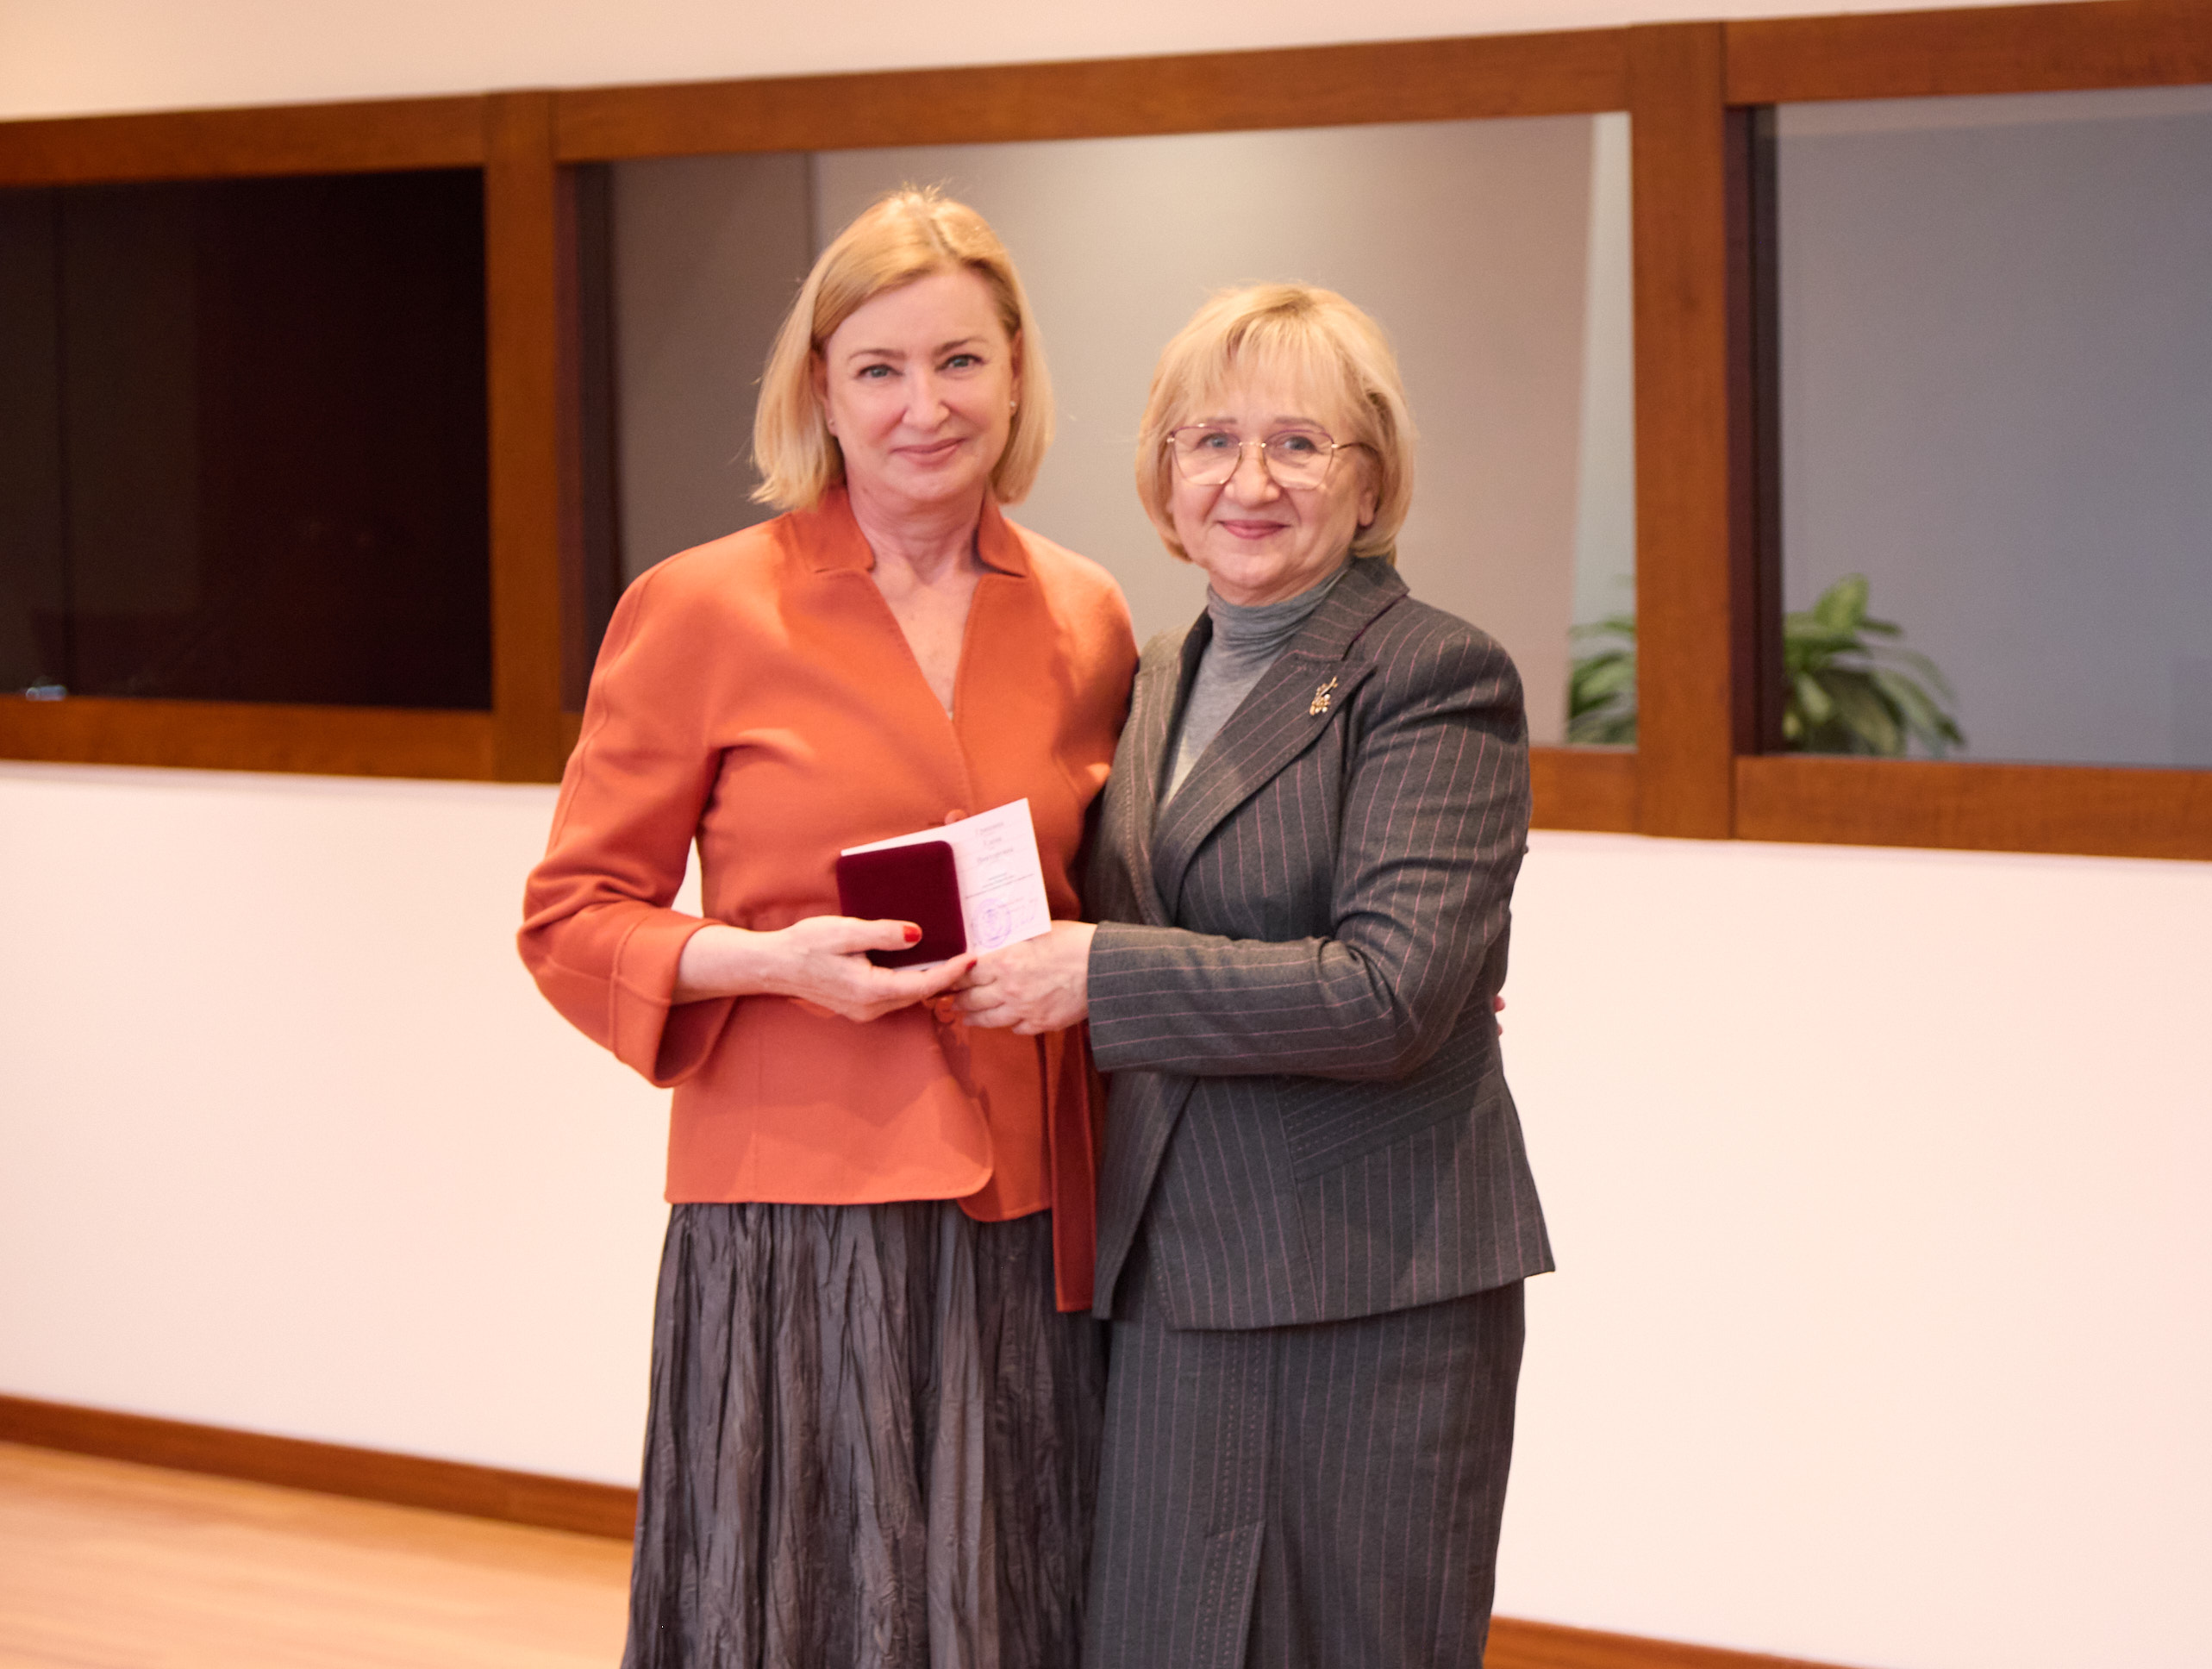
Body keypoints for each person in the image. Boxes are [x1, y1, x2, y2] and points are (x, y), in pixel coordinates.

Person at [519, 188, 1137, 1669]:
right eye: (880, 368)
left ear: (1016, 372)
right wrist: (771, 963)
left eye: (961, 360)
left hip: (1029, 1214)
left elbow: (1130, 895)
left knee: (1011, 1607)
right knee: (797, 1613)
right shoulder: (700, 608)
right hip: (791, 1218)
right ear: (821, 389)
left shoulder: (1089, 615)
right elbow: (570, 920)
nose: (927, 405)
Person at [953, 283, 1553, 1668]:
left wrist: (1103, 976)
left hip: (1368, 1285)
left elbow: (1391, 996)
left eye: (1298, 443)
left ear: (1370, 479)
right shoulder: (1160, 671)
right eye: (1212, 441)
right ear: (1166, 476)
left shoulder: (1437, 675)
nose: (1250, 481)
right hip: (1175, 1270)